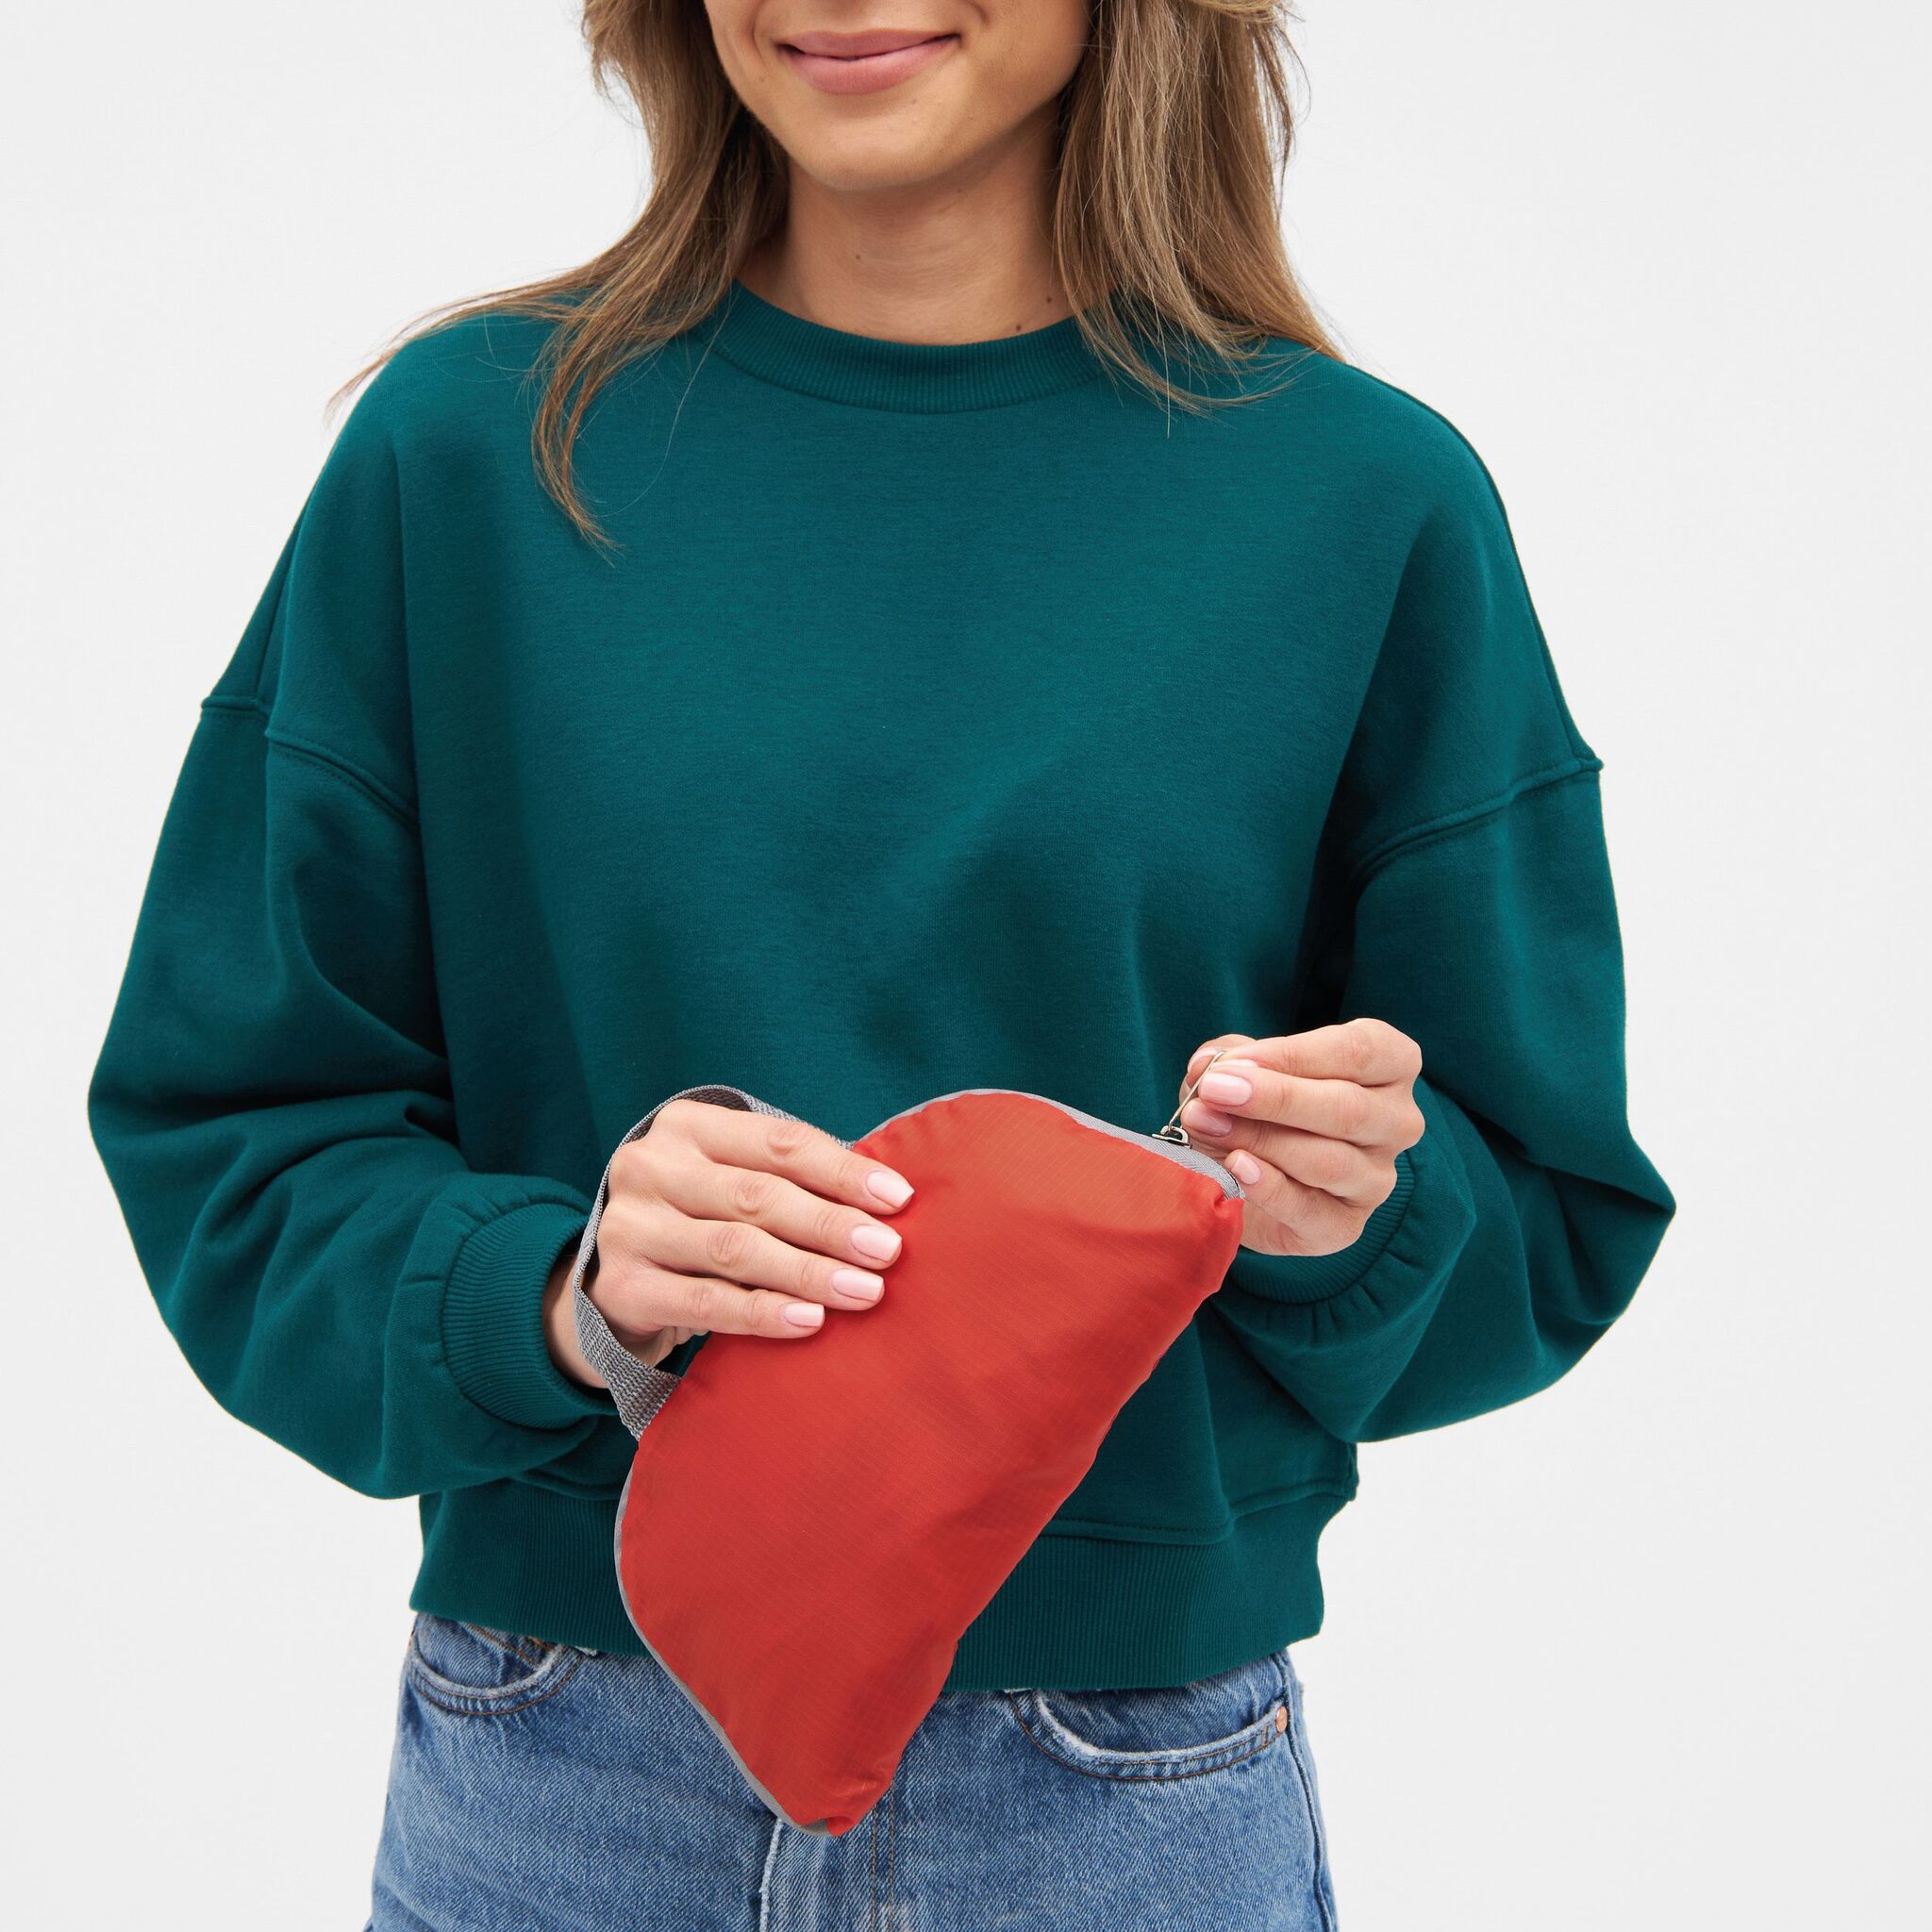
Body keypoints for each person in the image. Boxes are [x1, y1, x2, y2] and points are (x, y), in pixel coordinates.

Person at [86, 5, 1675, 1927]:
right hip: (560, 1780)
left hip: (1124, 1809)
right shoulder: (467, 455)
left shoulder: (1364, 501)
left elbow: (1545, 1214)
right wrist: (568, 1295)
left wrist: (1341, 1216)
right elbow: (235, 1128)